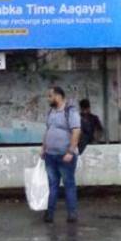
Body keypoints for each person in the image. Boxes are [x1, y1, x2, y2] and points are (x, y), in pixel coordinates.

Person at [41, 87, 82, 224]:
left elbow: (76, 132)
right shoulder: (51, 112)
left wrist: (70, 151)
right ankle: (49, 214)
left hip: (65, 155)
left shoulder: (70, 111)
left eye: (50, 96)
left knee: (68, 184)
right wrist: (43, 148)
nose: (49, 98)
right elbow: (48, 130)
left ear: (58, 96)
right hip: (50, 155)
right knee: (52, 184)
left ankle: (72, 214)